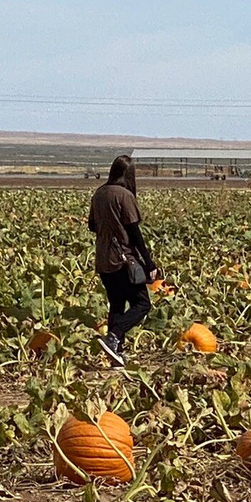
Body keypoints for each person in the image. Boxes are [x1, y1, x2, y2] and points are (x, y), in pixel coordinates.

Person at [88, 155, 158, 367]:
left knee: (117, 304)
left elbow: (92, 226)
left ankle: (116, 352)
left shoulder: (99, 193)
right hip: (123, 259)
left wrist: (109, 228)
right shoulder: (124, 195)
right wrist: (149, 263)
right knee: (142, 304)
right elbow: (134, 232)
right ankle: (114, 336)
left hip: (103, 258)